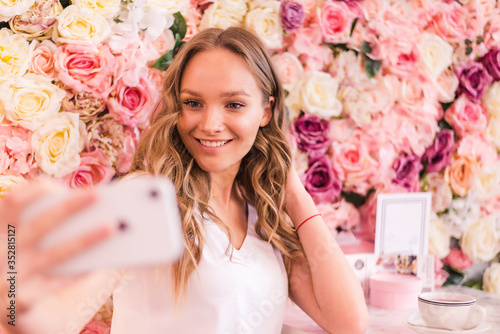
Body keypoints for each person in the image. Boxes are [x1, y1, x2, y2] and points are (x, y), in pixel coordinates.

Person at [0, 27, 369, 334]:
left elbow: (349, 323)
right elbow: (51, 317)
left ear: (266, 110)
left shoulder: (267, 213)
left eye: (234, 105)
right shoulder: (146, 200)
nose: (209, 124)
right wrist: (12, 283)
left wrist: (292, 189)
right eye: (194, 103)